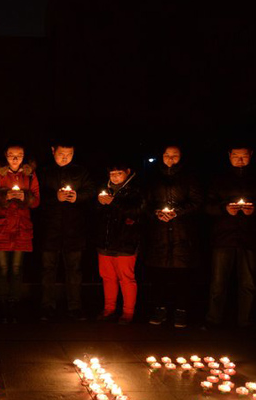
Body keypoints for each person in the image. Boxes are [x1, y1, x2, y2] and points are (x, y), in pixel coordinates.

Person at [204, 146, 256, 329]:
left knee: (248, 284)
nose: (240, 160)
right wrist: (223, 209)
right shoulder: (219, 179)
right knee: (218, 283)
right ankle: (213, 320)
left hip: (250, 238)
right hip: (224, 237)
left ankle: (245, 322)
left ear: (251, 156)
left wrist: (255, 211)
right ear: (229, 156)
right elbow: (207, 206)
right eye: (236, 156)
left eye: (244, 156)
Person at [144, 145, 204, 328]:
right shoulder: (153, 179)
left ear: (181, 157)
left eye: (174, 156)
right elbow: (145, 203)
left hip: (182, 234)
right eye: (167, 155)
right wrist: (156, 213)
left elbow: (197, 202)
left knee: (181, 276)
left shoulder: (190, 178)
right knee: (159, 275)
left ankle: (181, 311)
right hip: (159, 235)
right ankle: (159, 309)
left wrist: (178, 212)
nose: (170, 159)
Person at [37, 139, 97, 321]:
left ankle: (75, 307)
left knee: (74, 270)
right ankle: (47, 306)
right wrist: (55, 196)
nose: (65, 158)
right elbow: (36, 194)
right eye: (61, 154)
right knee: (48, 269)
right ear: (53, 150)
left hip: (74, 230)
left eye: (69, 154)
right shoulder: (44, 171)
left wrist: (78, 197)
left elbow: (91, 191)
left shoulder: (80, 171)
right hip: (50, 229)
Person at [0, 143, 40, 323]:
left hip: (21, 228)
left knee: (16, 268)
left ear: (24, 156)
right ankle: (1, 304)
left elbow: (37, 201)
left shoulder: (29, 174)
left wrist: (26, 198)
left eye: (19, 155)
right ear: (5, 156)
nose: (15, 159)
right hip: (1, 227)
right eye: (11, 155)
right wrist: (3, 197)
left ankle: (14, 303)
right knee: (2, 268)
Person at [94, 160, 142, 325]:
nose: (114, 177)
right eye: (112, 174)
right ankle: (109, 309)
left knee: (126, 278)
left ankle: (128, 313)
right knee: (107, 277)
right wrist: (99, 204)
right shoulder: (105, 189)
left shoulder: (136, 190)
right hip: (105, 242)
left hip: (126, 242)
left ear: (128, 172)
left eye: (118, 173)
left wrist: (114, 202)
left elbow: (138, 211)